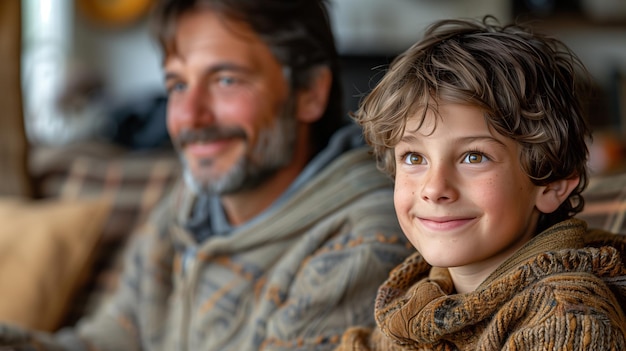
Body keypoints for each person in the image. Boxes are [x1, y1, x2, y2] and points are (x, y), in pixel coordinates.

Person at [0, 0, 414, 350]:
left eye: (225, 80)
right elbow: (108, 339)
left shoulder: (364, 241)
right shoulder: (188, 203)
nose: (190, 117)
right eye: (178, 85)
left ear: (310, 93)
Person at [335, 15, 626, 350]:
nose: (434, 188)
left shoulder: (567, 320)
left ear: (551, 185)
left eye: (474, 157)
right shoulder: (421, 298)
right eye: (415, 158)